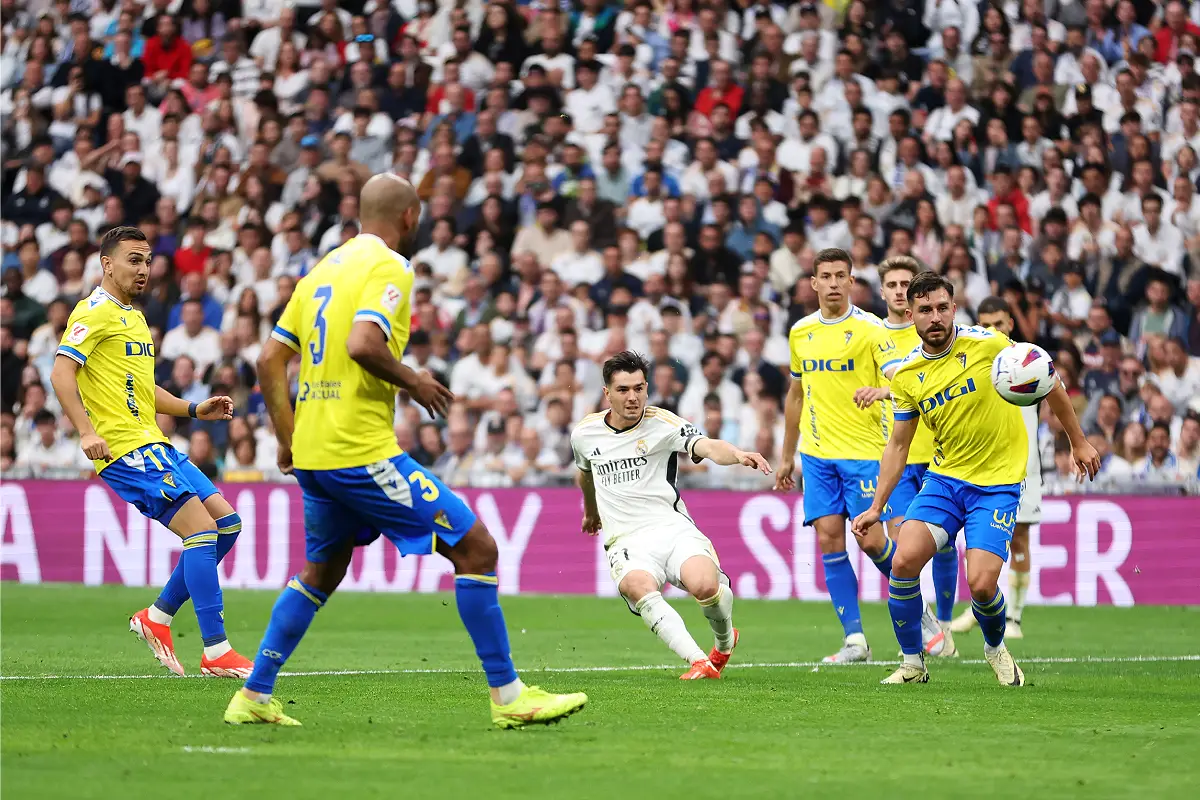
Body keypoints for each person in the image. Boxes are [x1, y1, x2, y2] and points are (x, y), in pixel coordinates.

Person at [225, 174, 587, 729]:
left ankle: (253, 694)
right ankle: (510, 697)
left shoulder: (319, 271)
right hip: (358, 450)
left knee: (321, 571)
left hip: (316, 455)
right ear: (411, 217)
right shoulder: (391, 266)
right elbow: (363, 344)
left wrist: (286, 436)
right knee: (477, 550)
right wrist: (413, 379)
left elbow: (268, 361)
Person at [852, 272, 1099, 686]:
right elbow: (898, 445)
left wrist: (1079, 441)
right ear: (909, 314)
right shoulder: (908, 375)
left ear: (953, 308)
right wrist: (877, 507)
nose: (935, 317)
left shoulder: (988, 344)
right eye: (925, 310)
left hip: (998, 483)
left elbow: (1048, 376)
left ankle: (995, 648)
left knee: (982, 585)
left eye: (942, 308)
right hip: (946, 480)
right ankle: (913, 663)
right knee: (903, 560)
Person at [49, 227, 252, 679]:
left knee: (227, 526)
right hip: (125, 450)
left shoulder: (135, 318)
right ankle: (216, 651)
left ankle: (156, 617)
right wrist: (85, 431)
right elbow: (61, 373)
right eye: (133, 260)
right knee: (200, 533)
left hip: (155, 443)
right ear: (107, 263)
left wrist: (195, 408)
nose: (143, 270)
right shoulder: (93, 312)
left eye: (146, 261)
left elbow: (144, 389)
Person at [774, 247, 939, 664]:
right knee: (829, 538)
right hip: (815, 455)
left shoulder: (870, 330)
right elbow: (796, 395)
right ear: (813, 283)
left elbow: (898, 375)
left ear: (851, 282)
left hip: (864, 453)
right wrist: (786, 454)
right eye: (825, 276)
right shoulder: (800, 332)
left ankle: (919, 610)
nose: (832, 283)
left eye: (840, 276)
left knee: (870, 541)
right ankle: (855, 641)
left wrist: (887, 389)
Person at [572, 351, 771, 679]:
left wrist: (737, 454)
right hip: (627, 539)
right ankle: (698, 661)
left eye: (639, 388)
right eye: (623, 390)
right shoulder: (584, 434)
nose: (632, 397)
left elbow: (706, 446)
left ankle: (723, 644)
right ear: (607, 394)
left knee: (706, 587)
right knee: (637, 585)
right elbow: (586, 474)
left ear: (647, 388)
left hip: (671, 527)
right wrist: (590, 512)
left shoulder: (663, 423)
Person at [857, 256, 958, 656]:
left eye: (906, 284)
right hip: (897, 454)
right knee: (903, 546)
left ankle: (945, 624)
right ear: (882, 291)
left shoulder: (930, 332)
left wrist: (885, 391)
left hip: (936, 454)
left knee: (945, 544)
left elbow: (925, 380)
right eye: (893, 285)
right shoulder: (873, 337)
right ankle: (921, 626)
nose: (899, 291)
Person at [949, 296, 1044, 639]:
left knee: (1019, 539)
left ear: (1011, 324)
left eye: (999, 323)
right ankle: (980, 607)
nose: (993, 330)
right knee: (975, 540)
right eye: (986, 323)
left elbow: (1047, 401)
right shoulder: (973, 358)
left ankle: (1015, 617)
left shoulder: (1030, 360)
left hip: (1023, 466)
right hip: (980, 465)